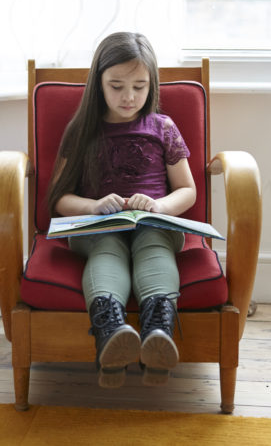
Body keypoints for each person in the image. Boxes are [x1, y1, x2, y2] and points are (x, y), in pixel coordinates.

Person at [47, 32, 196, 388]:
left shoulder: (163, 128)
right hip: (99, 227)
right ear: (98, 83)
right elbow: (60, 198)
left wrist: (159, 206)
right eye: (116, 86)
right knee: (107, 247)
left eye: (139, 86)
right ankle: (111, 335)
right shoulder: (81, 131)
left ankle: (158, 334)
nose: (129, 97)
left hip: (154, 223)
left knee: (154, 246)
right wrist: (94, 205)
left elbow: (188, 191)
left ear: (152, 85)